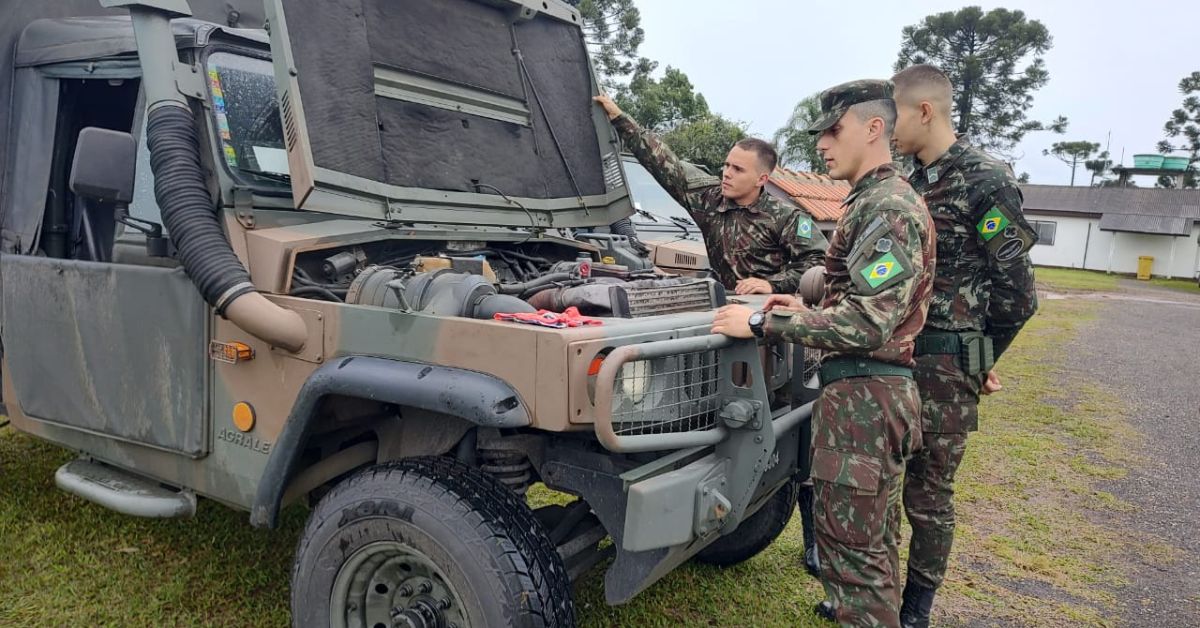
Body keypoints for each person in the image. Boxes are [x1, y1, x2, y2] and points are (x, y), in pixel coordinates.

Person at [712, 79, 935, 627]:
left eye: (834, 131)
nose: (822, 145)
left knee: (854, 559)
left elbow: (868, 320)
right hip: (870, 395)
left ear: (874, 127)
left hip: (866, 397)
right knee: (870, 549)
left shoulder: (887, 207)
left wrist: (764, 319)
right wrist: (800, 296)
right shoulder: (875, 200)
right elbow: (858, 296)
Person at [889, 64, 1039, 627]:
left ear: (924, 111)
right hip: (893, 356)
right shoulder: (906, 181)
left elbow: (1018, 296)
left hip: (947, 367)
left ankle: (916, 610)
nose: (888, 127)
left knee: (927, 497)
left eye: (896, 114)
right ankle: (869, 595)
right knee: (875, 485)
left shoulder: (986, 180)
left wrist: (976, 361)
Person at [593, 95, 828, 295]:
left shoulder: (787, 218)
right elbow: (663, 161)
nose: (726, 174)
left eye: (738, 169)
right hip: (722, 307)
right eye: (726, 165)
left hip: (764, 317)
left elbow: (819, 263)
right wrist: (620, 119)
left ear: (761, 179)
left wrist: (772, 284)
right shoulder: (708, 200)